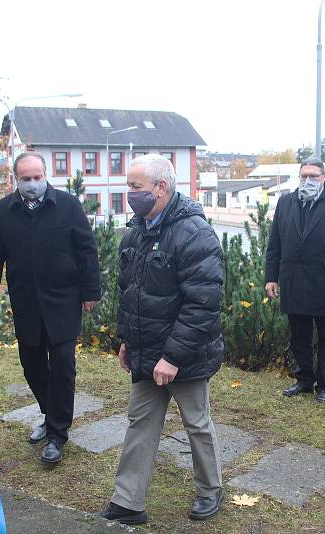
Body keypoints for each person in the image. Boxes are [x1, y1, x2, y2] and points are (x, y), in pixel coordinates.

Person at [99, 154, 224, 525]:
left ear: (161, 188)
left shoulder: (194, 233)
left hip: (183, 356)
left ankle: (210, 489)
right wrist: (128, 341)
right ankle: (128, 500)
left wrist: (172, 357)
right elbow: (130, 293)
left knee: (196, 423)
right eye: (129, 186)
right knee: (140, 421)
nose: (129, 193)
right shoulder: (136, 231)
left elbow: (203, 305)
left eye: (135, 187)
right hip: (145, 351)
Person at [0, 151, 100, 464]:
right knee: (31, 364)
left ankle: (58, 434)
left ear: (45, 176)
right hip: (27, 302)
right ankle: (49, 414)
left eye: (37, 177)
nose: (32, 184)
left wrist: (90, 292)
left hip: (63, 302)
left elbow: (87, 251)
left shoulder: (68, 206)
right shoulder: (4, 210)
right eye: (25, 179)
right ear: (15, 179)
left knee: (62, 365)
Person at [264, 157, 325, 403]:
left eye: (314, 176)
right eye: (304, 175)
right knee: (299, 337)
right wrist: (271, 277)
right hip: (294, 280)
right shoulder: (286, 202)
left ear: (324, 177)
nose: (308, 180)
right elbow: (274, 244)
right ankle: (304, 380)